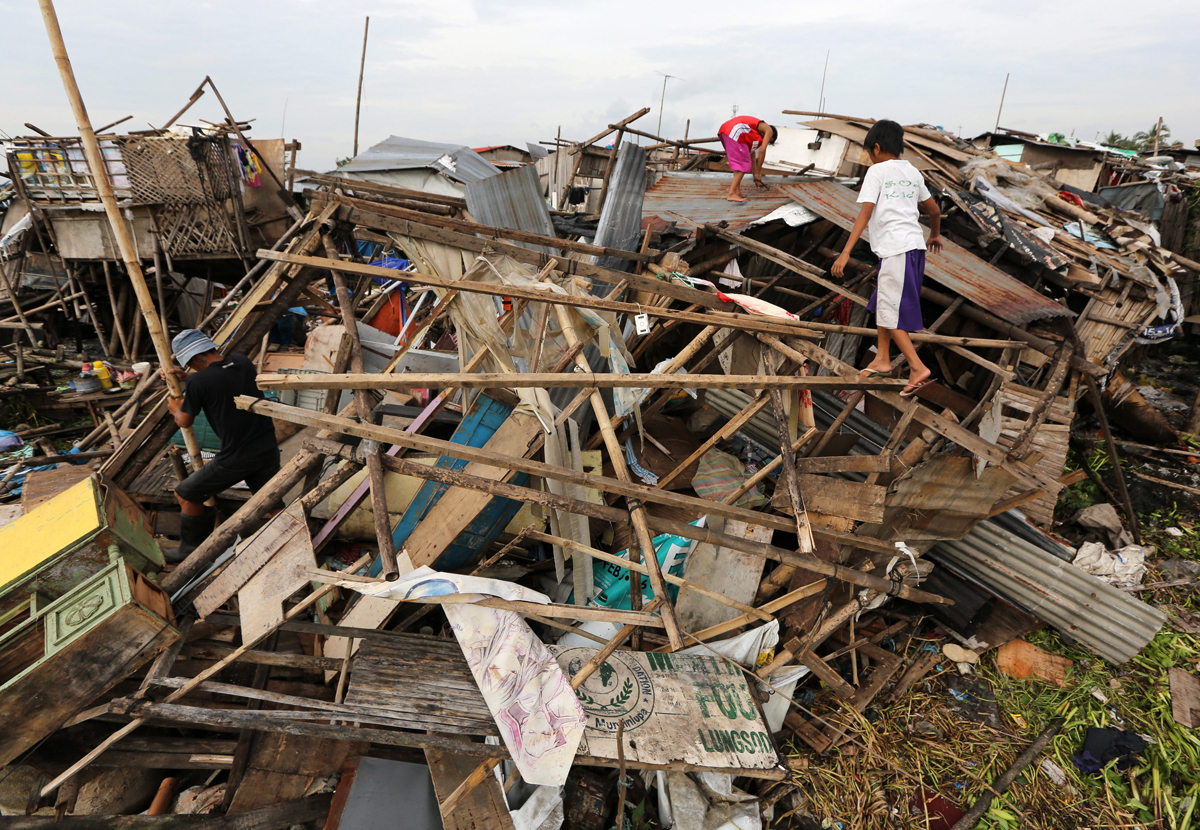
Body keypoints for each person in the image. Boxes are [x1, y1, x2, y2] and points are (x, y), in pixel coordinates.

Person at [831, 119, 943, 398]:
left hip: (895, 249)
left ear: (877, 148)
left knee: (890, 310)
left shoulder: (877, 171)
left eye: (870, 152)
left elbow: (865, 213)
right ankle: (882, 358)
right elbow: (934, 211)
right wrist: (935, 236)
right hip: (913, 248)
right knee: (885, 303)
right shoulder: (913, 172)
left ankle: (917, 368)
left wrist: (845, 252)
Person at [163, 329, 280, 562]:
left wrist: (175, 409)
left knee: (186, 493)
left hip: (237, 456)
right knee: (271, 502)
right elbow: (220, 380)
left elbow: (184, 421)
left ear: (195, 359)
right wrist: (189, 380)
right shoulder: (242, 362)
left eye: (190, 366)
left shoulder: (199, 380)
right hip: (267, 447)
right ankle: (292, 537)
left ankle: (190, 550)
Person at [718, 116, 778, 202]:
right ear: (772, 136)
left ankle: (737, 192)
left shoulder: (752, 136)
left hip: (725, 131)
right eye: (769, 141)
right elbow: (762, 151)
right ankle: (731, 194)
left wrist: (755, 176)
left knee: (738, 165)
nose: (766, 141)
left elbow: (752, 158)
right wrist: (758, 173)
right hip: (733, 130)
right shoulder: (769, 130)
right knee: (743, 164)